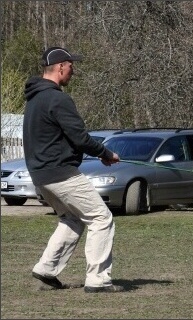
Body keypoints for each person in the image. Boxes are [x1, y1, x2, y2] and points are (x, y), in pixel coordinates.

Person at [23, 47, 124, 293]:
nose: (73, 70)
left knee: (72, 219)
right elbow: (79, 137)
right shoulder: (58, 99)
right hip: (61, 173)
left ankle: (47, 268)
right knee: (101, 218)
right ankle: (98, 281)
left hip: (41, 175)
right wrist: (106, 153)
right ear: (59, 67)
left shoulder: (34, 100)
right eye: (71, 65)